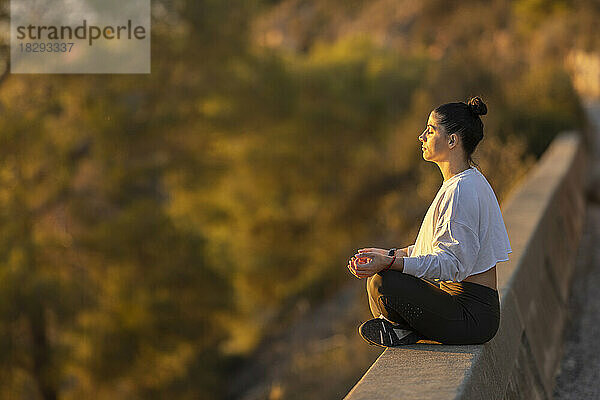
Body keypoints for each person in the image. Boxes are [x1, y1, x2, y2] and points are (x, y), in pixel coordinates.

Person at [347, 97, 512, 347]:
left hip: (472, 315)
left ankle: (403, 329)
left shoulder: (462, 190)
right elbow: (435, 249)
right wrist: (388, 255)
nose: (421, 136)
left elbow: (453, 264)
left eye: (431, 130)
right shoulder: (464, 182)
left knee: (384, 282)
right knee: (382, 276)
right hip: (463, 307)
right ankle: (403, 330)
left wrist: (391, 263)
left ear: (452, 140)